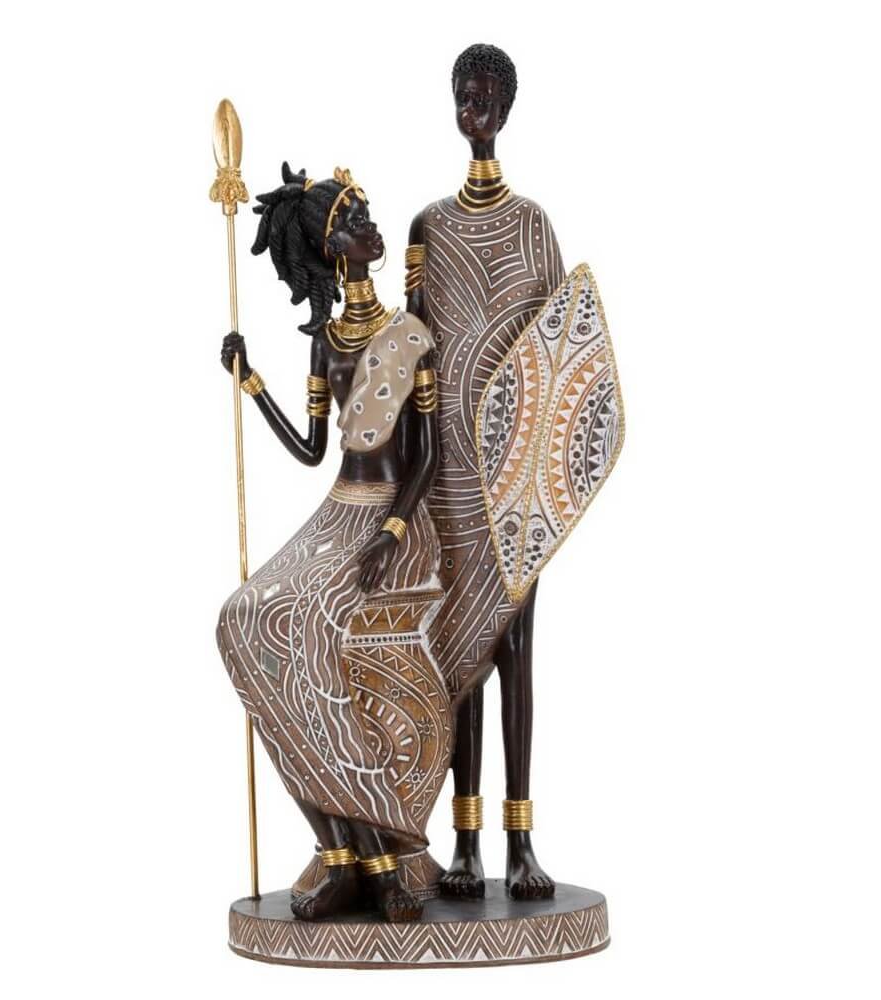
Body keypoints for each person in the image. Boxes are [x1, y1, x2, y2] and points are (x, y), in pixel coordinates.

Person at [406, 43, 624, 900]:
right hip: (447, 476)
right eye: (466, 94)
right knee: (459, 657)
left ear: (508, 107)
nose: (478, 108)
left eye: (490, 95)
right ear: (453, 103)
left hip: (516, 482)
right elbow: (411, 343)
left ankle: (521, 838)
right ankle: (464, 844)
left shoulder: (534, 226)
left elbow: (560, 350)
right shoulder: (426, 228)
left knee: (518, 654)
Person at [217, 163, 451, 923]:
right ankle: (343, 850)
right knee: (243, 619)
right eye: (352, 220)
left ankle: (381, 851)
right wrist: (251, 383)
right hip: (337, 514)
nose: (369, 227)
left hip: (394, 521)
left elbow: (426, 458)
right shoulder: (327, 343)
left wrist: (390, 534)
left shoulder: (409, 335)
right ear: (331, 249)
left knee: (310, 623)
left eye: (365, 212)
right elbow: (313, 450)